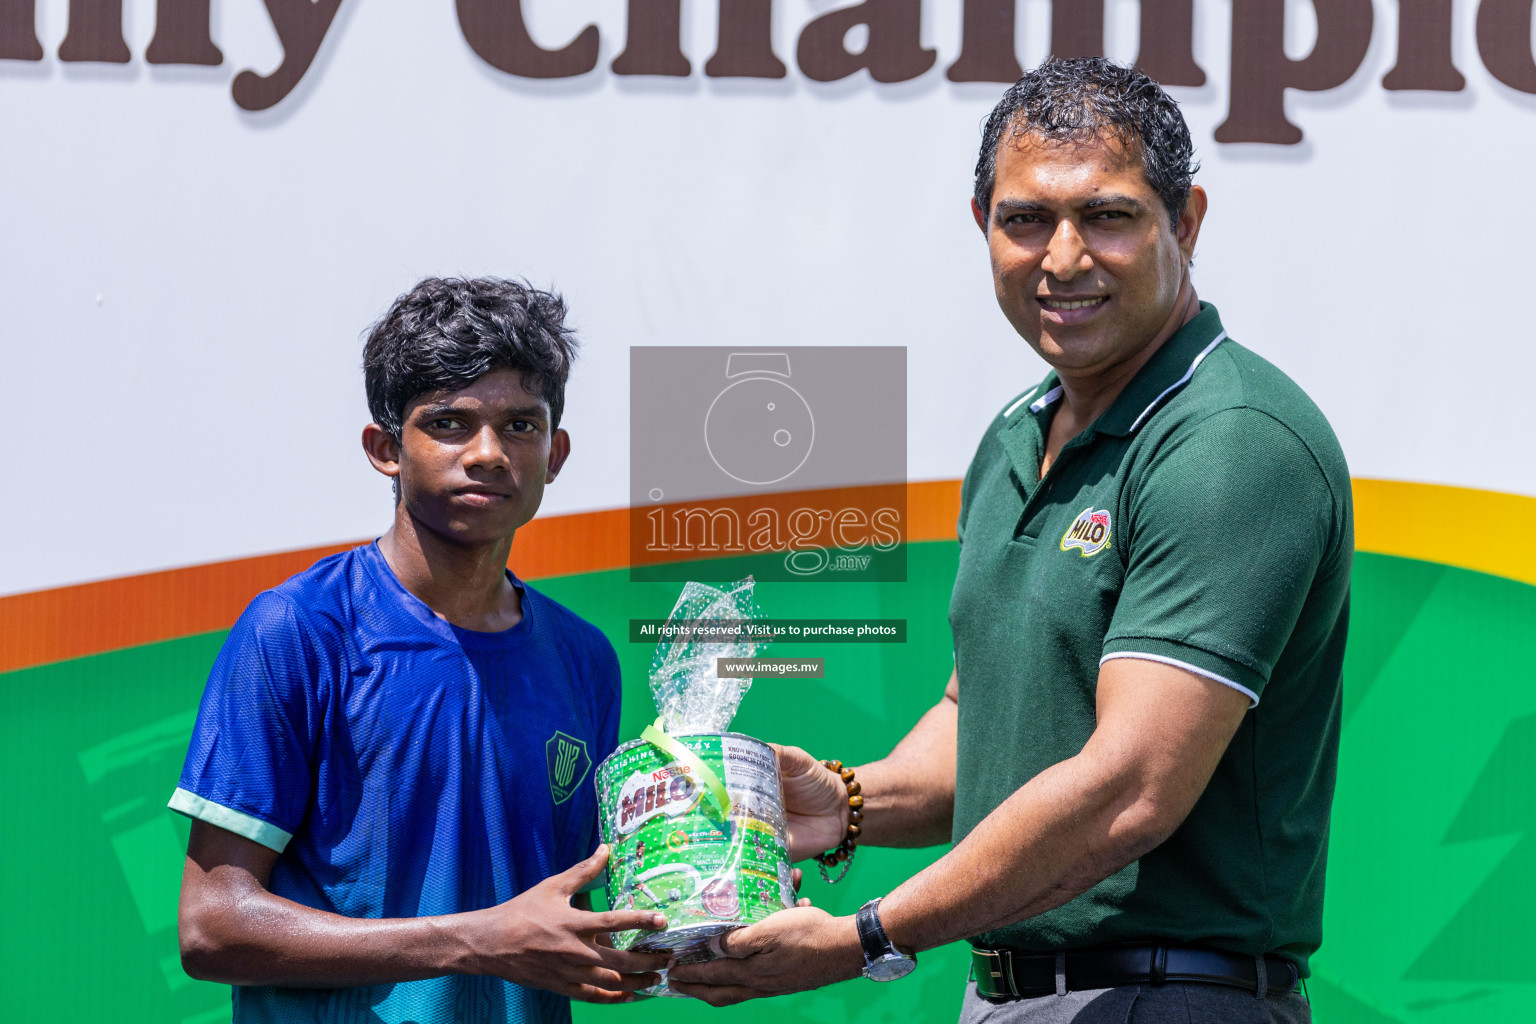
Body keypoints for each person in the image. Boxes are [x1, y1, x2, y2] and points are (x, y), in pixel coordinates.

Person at [669, 58, 1352, 1024]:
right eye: (1025, 220)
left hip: (1172, 997)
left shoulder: (1233, 441)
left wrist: (870, 933)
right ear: (982, 226)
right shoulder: (1016, 434)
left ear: (1186, 222)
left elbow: (1130, 788)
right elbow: (980, 721)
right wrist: (847, 802)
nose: (1062, 258)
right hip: (1008, 998)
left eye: (1107, 217)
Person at [170, 277, 670, 1023]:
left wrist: (697, 896)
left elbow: (560, 912)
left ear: (556, 453)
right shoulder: (298, 630)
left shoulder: (585, 659)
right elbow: (212, 926)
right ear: (385, 449)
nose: (490, 453)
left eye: (521, 426)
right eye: (449, 423)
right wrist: (475, 941)